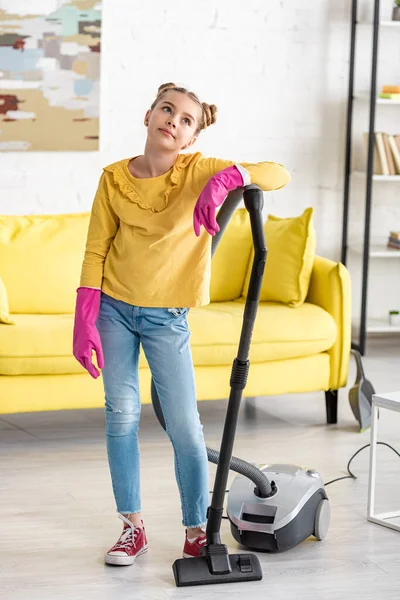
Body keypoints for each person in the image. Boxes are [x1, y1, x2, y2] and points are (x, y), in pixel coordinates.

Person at [73, 82, 290, 566]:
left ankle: (197, 530)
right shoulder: (113, 178)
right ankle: (133, 528)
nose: (174, 120)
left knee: (186, 429)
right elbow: (96, 249)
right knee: (121, 416)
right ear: (149, 115)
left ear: (191, 137)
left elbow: (278, 173)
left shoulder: (198, 170)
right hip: (113, 309)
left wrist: (228, 178)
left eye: (186, 119)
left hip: (167, 318)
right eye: (167, 110)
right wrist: (83, 312)